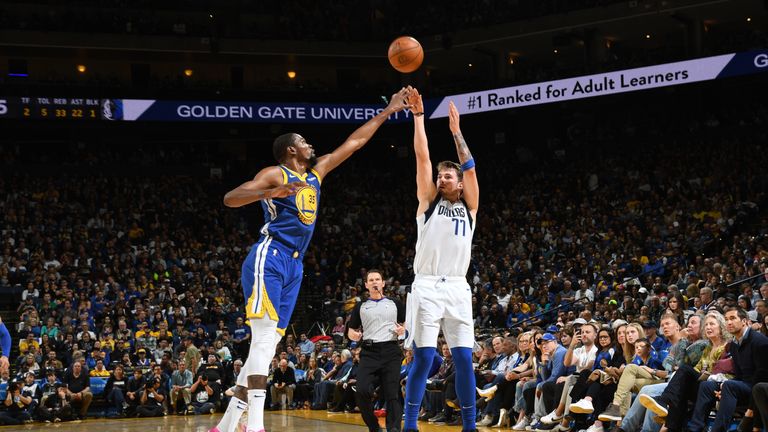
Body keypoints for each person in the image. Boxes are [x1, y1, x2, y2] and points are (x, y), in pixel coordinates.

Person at [211, 87, 413, 432]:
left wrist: (389, 111)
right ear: (291, 149)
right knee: (264, 339)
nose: (310, 145)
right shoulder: (276, 173)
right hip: (270, 255)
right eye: (303, 141)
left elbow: (354, 143)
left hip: (295, 264)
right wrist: (268, 192)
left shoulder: (314, 174)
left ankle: (228, 425)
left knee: (267, 344)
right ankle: (255, 425)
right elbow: (231, 197)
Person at [402, 92, 479, 432]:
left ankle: (470, 426)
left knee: (464, 359)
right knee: (422, 357)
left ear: (460, 183)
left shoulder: (470, 206)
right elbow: (422, 157)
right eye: (441, 175)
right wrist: (419, 119)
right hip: (428, 285)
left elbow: (470, 167)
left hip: (458, 287)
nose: (442, 178)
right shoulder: (428, 202)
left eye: (449, 176)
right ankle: (409, 425)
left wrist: (456, 132)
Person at [347, 269, 406, 432]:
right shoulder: (360, 306)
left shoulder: (395, 303)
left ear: (383, 283)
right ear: (366, 285)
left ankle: (394, 428)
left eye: (377, 279)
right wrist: (354, 336)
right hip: (369, 352)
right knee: (361, 390)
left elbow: (406, 324)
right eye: (371, 280)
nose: (374, 282)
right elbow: (350, 331)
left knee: (392, 393)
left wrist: (403, 330)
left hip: (391, 350)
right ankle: (374, 427)